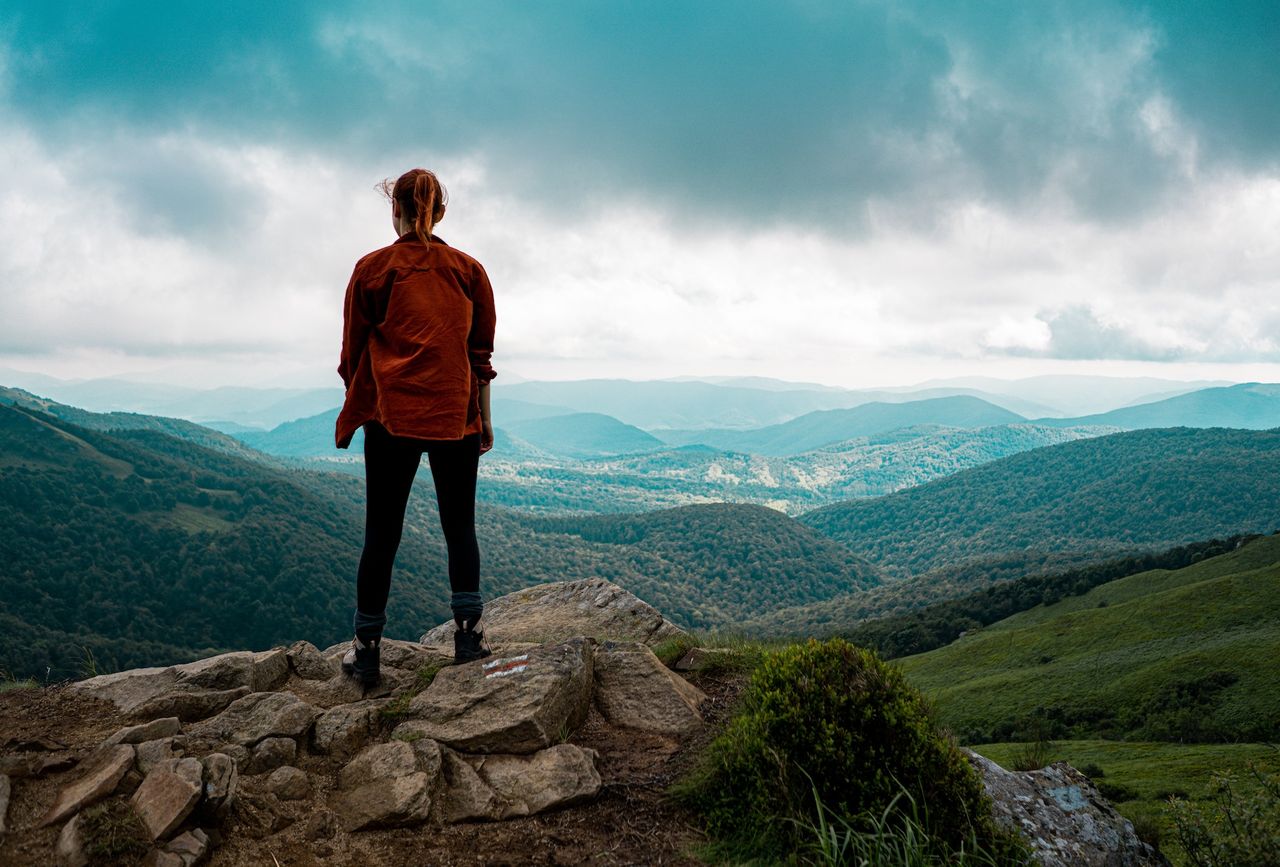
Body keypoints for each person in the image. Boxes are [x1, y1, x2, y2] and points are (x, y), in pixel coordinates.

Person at [333, 167, 497, 684]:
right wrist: (483, 418)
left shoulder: (372, 270)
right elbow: (480, 356)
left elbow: (352, 353)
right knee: (459, 528)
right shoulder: (468, 271)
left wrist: (367, 399)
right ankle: (468, 639)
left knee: (381, 534)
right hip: (455, 417)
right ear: (440, 212)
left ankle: (366, 652)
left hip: (392, 418)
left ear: (395, 211)